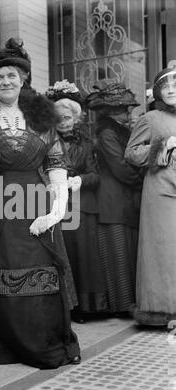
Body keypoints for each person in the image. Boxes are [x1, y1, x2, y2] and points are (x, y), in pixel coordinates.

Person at [0, 38, 81, 369]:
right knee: (0, 267)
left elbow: (56, 164)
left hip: (35, 201)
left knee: (41, 268)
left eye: (11, 75)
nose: (6, 82)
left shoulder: (41, 115)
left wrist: (54, 211)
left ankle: (42, 342)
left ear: (22, 78)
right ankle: (1, 343)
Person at [46, 80, 107, 322]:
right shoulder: (46, 141)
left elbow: (96, 175)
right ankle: (65, 307)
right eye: (59, 117)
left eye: (68, 116)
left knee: (84, 256)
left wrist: (79, 180)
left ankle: (85, 307)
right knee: (64, 255)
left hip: (81, 206)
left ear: (75, 117)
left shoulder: (86, 142)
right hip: (55, 205)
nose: (63, 121)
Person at [86, 81, 143, 315]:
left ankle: (128, 303)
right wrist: (142, 177)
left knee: (126, 249)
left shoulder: (119, 130)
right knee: (117, 250)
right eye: (123, 109)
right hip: (112, 198)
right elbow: (119, 167)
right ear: (110, 112)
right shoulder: (107, 132)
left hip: (122, 196)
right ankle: (121, 305)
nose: (128, 113)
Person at [125, 67, 176, 326]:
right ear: (157, 90)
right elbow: (131, 153)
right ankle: (162, 310)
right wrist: (162, 147)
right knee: (163, 250)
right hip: (161, 191)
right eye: (166, 85)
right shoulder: (150, 118)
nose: (171, 89)